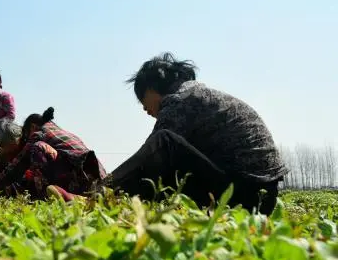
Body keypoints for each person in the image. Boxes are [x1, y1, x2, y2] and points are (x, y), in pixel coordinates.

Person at [98, 52, 288, 215]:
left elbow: (151, 156)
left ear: (151, 88)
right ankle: (112, 198)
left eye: (142, 100)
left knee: (164, 142)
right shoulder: (196, 95)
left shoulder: (181, 100)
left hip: (245, 195)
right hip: (259, 196)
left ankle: (96, 196)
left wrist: (105, 187)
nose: (145, 109)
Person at [0, 107, 107, 200]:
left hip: (80, 175)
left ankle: (45, 198)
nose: (26, 139)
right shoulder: (62, 133)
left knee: (38, 148)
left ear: (33, 127)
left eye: (26, 133)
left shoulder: (39, 135)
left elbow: (18, 164)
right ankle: (77, 198)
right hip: (97, 178)